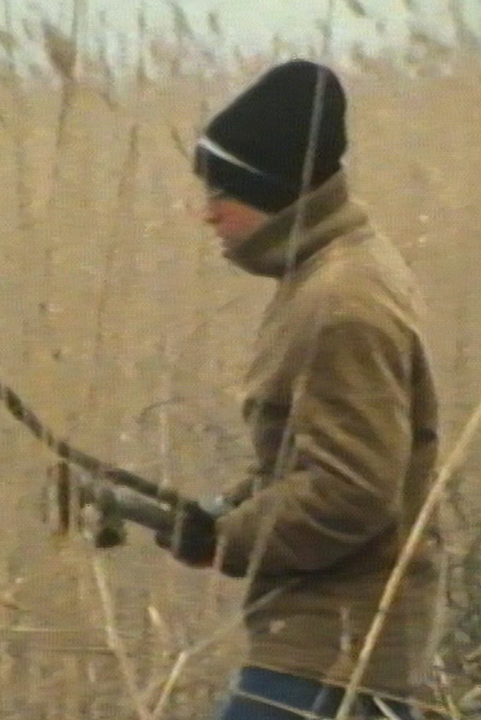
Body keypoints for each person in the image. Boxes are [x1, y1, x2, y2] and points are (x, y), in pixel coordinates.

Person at [153, 60, 442, 720]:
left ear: (272, 191)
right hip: (328, 645)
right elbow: (306, 460)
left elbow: (350, 493)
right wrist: (220, 511)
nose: (207, 214)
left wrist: (223, 540)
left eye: (221, 191)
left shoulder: (340, 300)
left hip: (336, 653)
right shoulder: (324, 273)